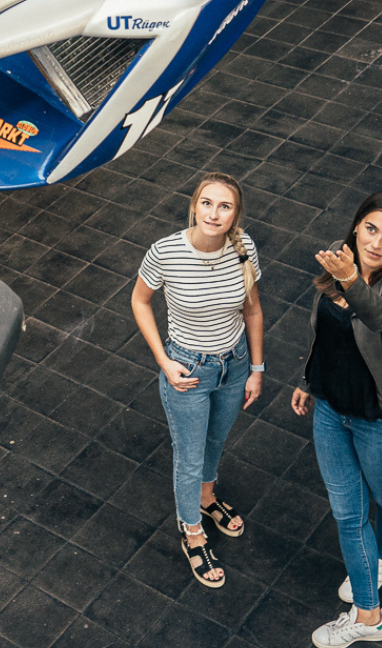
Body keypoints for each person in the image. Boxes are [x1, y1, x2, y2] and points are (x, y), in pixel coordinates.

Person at [292, 190, 382, 646]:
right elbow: (325, 330)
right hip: (332, 410)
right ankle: (370, 617)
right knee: (349, 516)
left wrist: (351, 278)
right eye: (370, 229)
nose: (377, 243)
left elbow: (381, 316)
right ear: (356, 226)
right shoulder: (343, 259)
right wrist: (308, 380)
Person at [131, 169, 263, 589]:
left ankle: (207, 499)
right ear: (194, 205)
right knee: (188, 456)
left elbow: (253, 311)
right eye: (207, 202)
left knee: (216, 442)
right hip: (188, 367)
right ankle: (192, 531)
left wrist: (256, 369)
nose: (214, 212)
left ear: (235, 215)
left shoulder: (244, 249)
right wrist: (164, 361)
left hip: (235, 364)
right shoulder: (166, 252)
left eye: (224, 206)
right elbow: (139, 300)